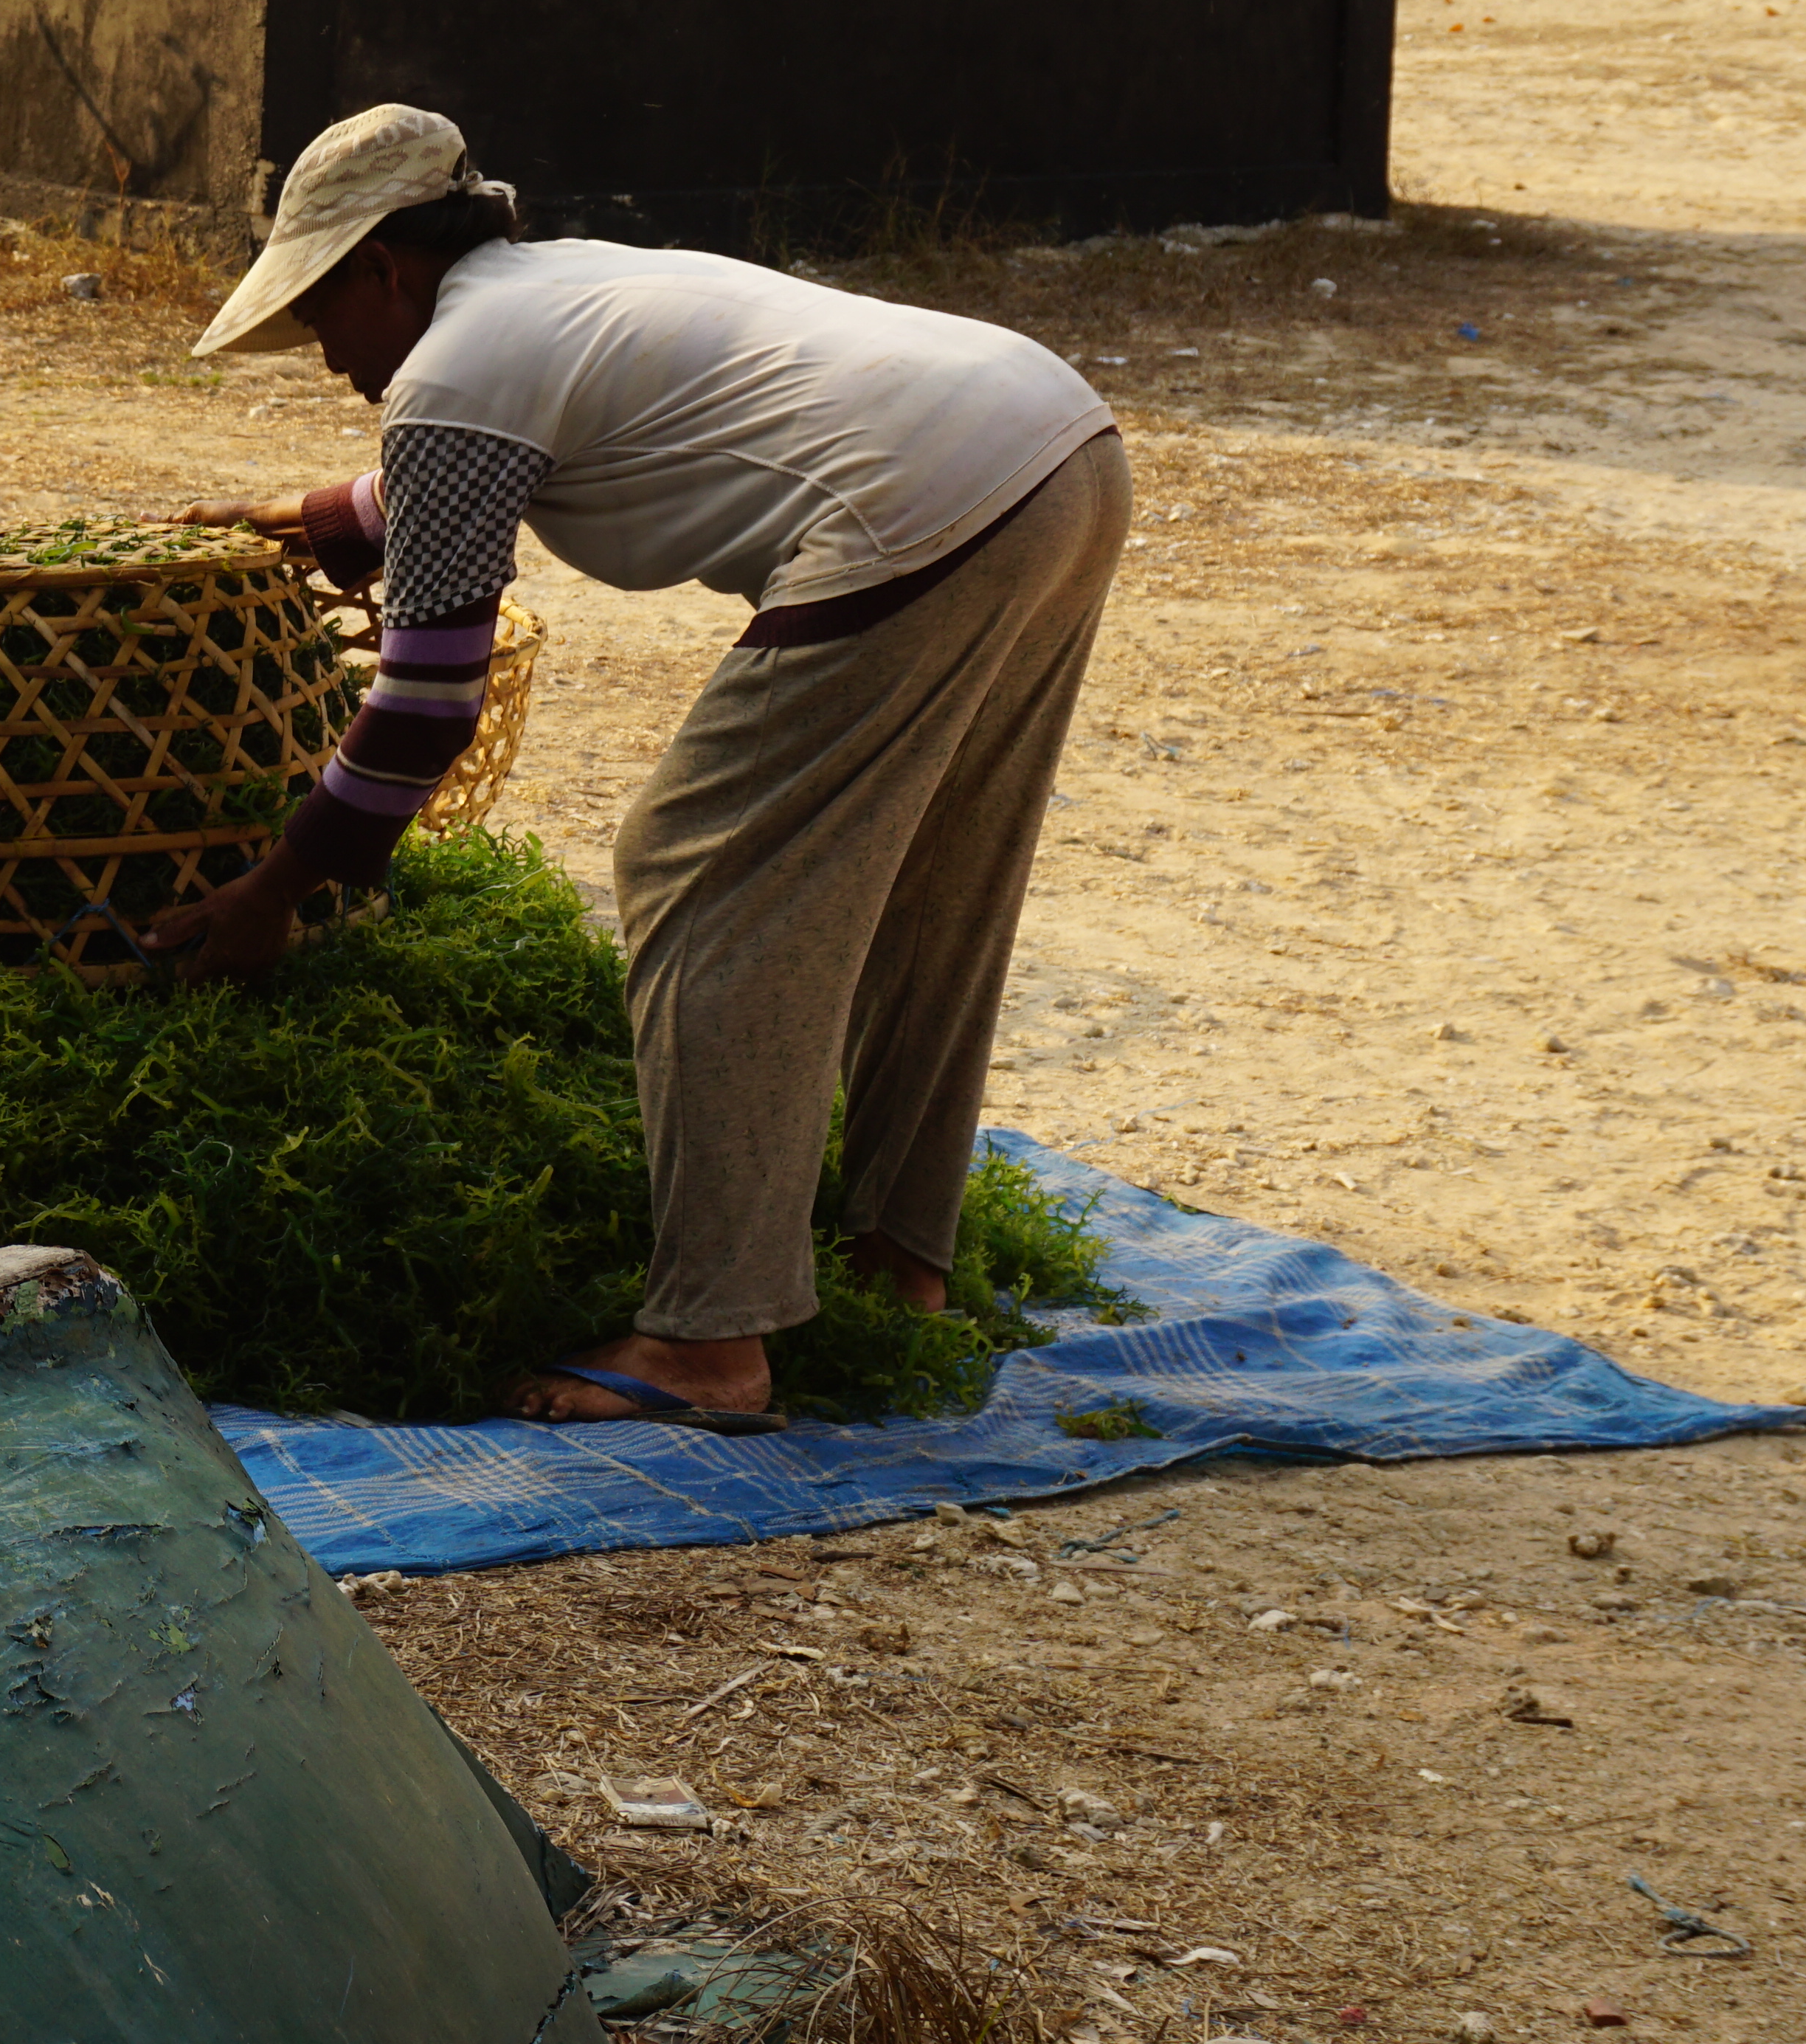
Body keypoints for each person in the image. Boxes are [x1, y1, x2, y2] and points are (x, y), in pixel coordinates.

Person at [141, 103, 1129, 1436]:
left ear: (384, 270)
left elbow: (427, 703)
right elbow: (517, 454)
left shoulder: (451, 373)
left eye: (318, 319)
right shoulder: (551, 288)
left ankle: (710, 1341)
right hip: (1056, 446)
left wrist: (281, 890)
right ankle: (899, 1268)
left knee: (694, 869)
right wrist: (337, 516)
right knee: (937, 867)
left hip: (914, 506)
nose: (324, 360)